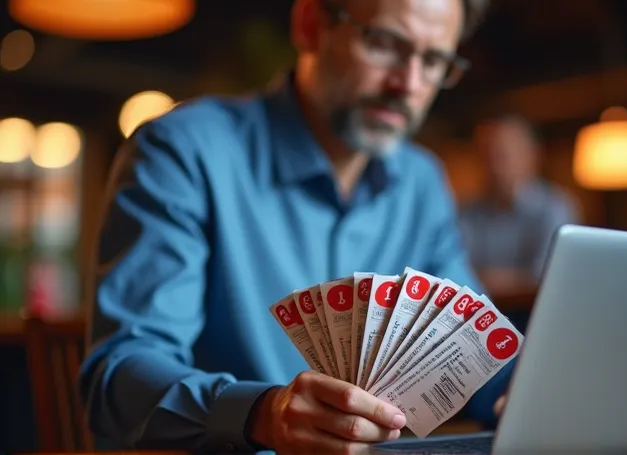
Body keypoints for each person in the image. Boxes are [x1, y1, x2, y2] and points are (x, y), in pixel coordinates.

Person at [78, 0, 513, 453]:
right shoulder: (184, 149)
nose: (408, 83)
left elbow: (473, 358)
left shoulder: (422, 183)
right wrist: (262, 414)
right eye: (384, 44)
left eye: (434, 61)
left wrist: (527, 391)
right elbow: (118, 380)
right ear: (310, 25)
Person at [459, 114, 579, 297]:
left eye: (502, 155)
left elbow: (550, 277)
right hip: (476, 315)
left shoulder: (554, 207)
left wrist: (484, 278)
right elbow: (454, 270)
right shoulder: (467, 213)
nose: (494, 166)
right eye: (485, 155)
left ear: (531, 155)